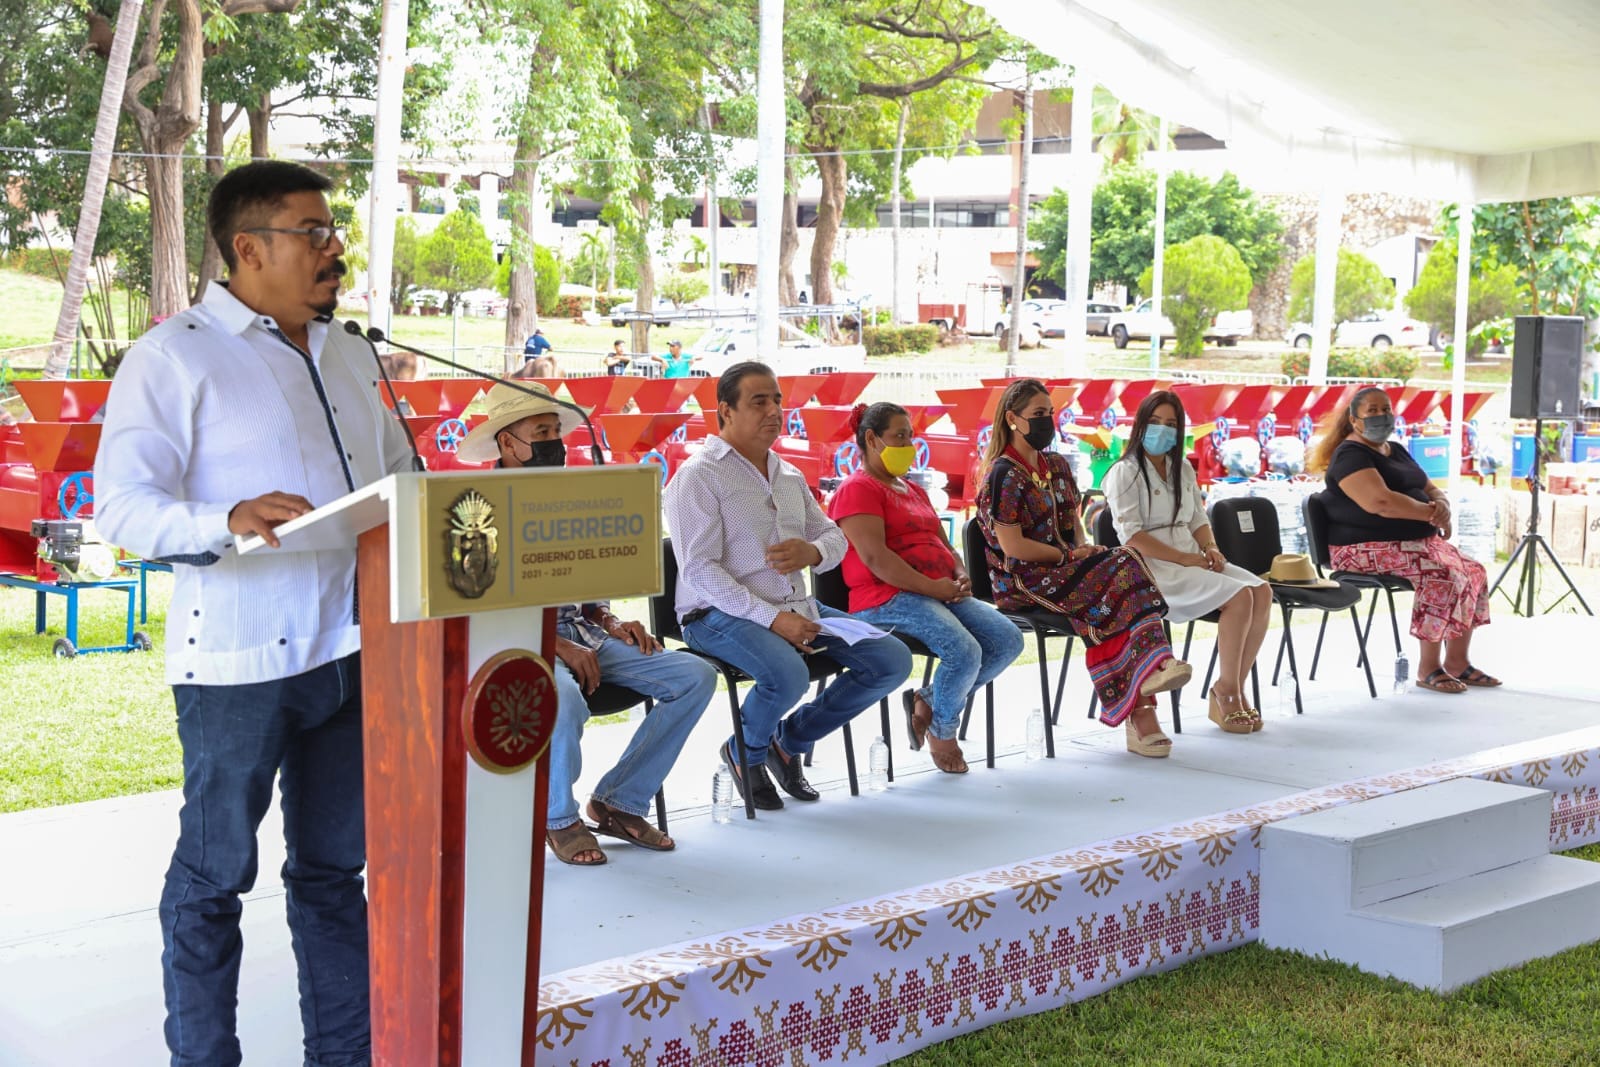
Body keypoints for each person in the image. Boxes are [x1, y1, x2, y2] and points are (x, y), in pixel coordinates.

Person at [93, 160, 417, 1066]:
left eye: (332, 231)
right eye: (313, 233)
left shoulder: (351, 351)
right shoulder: (176, 354)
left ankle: (344, 1056)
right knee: (211, 880)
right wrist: (223, 521)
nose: (334, 250)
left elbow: (402, 483)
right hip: (240, 663)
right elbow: (119, 508)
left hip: (356, 645)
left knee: (331, 874)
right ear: (248, 248)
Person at [457, 383, 716, 864]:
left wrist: (611, 619)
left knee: (695, 676)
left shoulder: (572, 494)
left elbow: (588, 583)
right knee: (563, 698)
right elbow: (479, 606)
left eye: (557, 431)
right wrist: (555, 644)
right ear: (507, 443)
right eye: (541, 432)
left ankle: (618, 800)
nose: (555, 441)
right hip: (513, 644)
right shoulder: (476, 507)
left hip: (587, 635)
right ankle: (558, 819)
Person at [663, 361, 912, 809]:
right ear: (726, 411)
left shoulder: (789, 475)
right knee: (788, 673)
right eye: (759, 401)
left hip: (794, 607)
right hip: (714, 614)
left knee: (890, 660)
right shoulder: (698, 476)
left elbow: (834, 536)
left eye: (777, 399)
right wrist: (773, 620)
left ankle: (784, 743)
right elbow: (699, 569)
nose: (774, 410)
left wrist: (813, 554)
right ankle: (747, 753)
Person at [975, 378, 1191, 758]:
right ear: (1013, 419)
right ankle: (1150, 676)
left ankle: (1143, 699)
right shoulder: (1004, 474)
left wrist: (1080, 548)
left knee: (1120, 570)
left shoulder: (1056, 464)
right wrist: (1067, 558)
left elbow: (1072, 522)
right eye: (1038, 414)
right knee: (1119, 572)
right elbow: (1013, 547)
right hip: (1024, 579)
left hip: (1064, 569)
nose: (1047, 421)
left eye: (1050, 413)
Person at [829, 402, 1024, 773]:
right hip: (884, 598)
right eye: (898, 436)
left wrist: (961, 571)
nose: (909, 445)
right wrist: (934, 589)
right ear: (872, 439)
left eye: (910, 436)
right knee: (964, 651)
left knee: (1007, 640)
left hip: (937, 591)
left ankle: (929, 700)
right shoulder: (857, 490)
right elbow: (876, 560)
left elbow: (943, 544)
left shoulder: (911, 489)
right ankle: (943, 732)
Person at [1310, 386, 1497, 693]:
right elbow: (1380, 503)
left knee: (1473, 570)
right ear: (1354, 420)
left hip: (1413, 543)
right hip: (1362, 549)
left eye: (1386, 410)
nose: (1381, 416)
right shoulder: (1350, 455)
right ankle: (1428, 668)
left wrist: (1443, 507)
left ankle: (1458, 663)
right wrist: (1430, 514)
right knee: (1442, 574)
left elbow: (1430, 487)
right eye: (1372, 411)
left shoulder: (1394, 449)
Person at [1103, 391, 1271, 734]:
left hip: (1189, 556)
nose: (1162, 431)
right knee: (1240, 597)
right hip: (1151, 567)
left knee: (1262, 590)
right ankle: (1227, 691)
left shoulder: (1181, 467)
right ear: (1140, 425)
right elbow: (1132, 536)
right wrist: (1184, 559)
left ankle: (1232, 688)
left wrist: (1209, 547)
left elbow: (1197, 517)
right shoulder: (1125, 472)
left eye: (1171, 424)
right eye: (1155, 423)